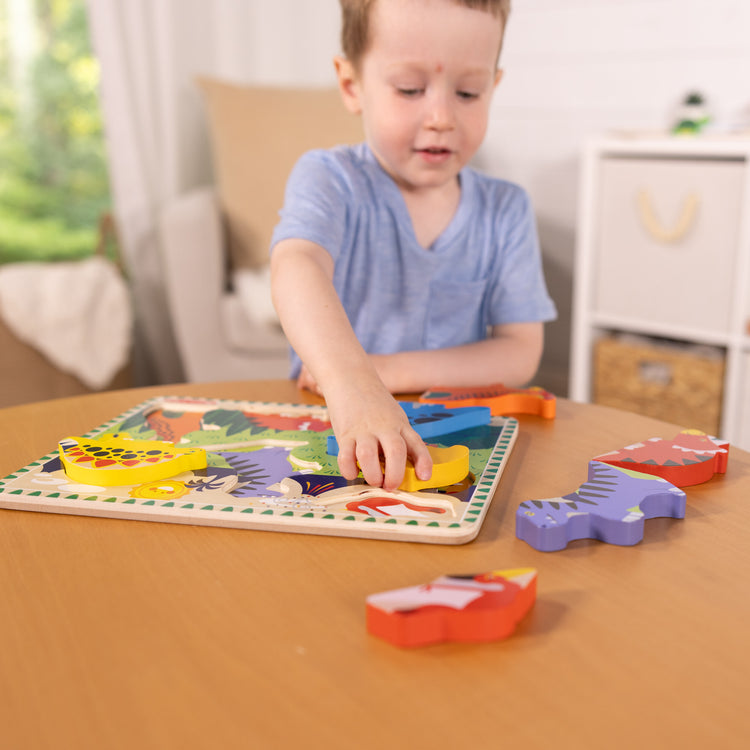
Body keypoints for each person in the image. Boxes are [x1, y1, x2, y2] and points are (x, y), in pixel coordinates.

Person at [270, 0, 556, 491]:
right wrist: (354, 386)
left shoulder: (506, 208)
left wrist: (385, 371)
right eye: (409, 88)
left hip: (454, 440)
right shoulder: (329, 178)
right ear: (351, 85)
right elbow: (296, 264)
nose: (442, 116)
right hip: (330, 432)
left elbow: (520, 352)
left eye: (468, 92)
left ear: (494, 85)